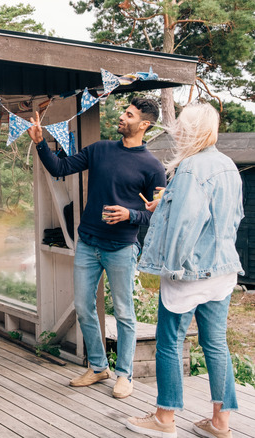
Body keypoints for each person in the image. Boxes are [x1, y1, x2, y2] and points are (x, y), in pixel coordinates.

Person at [27, 97, 166, 399]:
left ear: (144, 124)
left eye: (128, 115)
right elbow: (59, 167)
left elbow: (159, 212)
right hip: (88, 243)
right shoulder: (100, 150)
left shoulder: (153, 167)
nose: (122, 116)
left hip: (121, 248)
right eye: (124, 111)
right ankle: (98, 366)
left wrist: (131, 214)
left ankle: (124, 375)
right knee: (83, 307)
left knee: (125, 314)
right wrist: (40, 143)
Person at [126, 103, 242, 438]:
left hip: (189, 273)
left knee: (169, 341)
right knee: (216, 342)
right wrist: (165, 203)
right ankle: (221, 422)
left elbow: (185, 226)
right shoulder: (227, 166)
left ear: (189, 131)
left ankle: (164, 418)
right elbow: (231, 217)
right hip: (222, 270)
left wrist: (170, 268)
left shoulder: (191, 168)